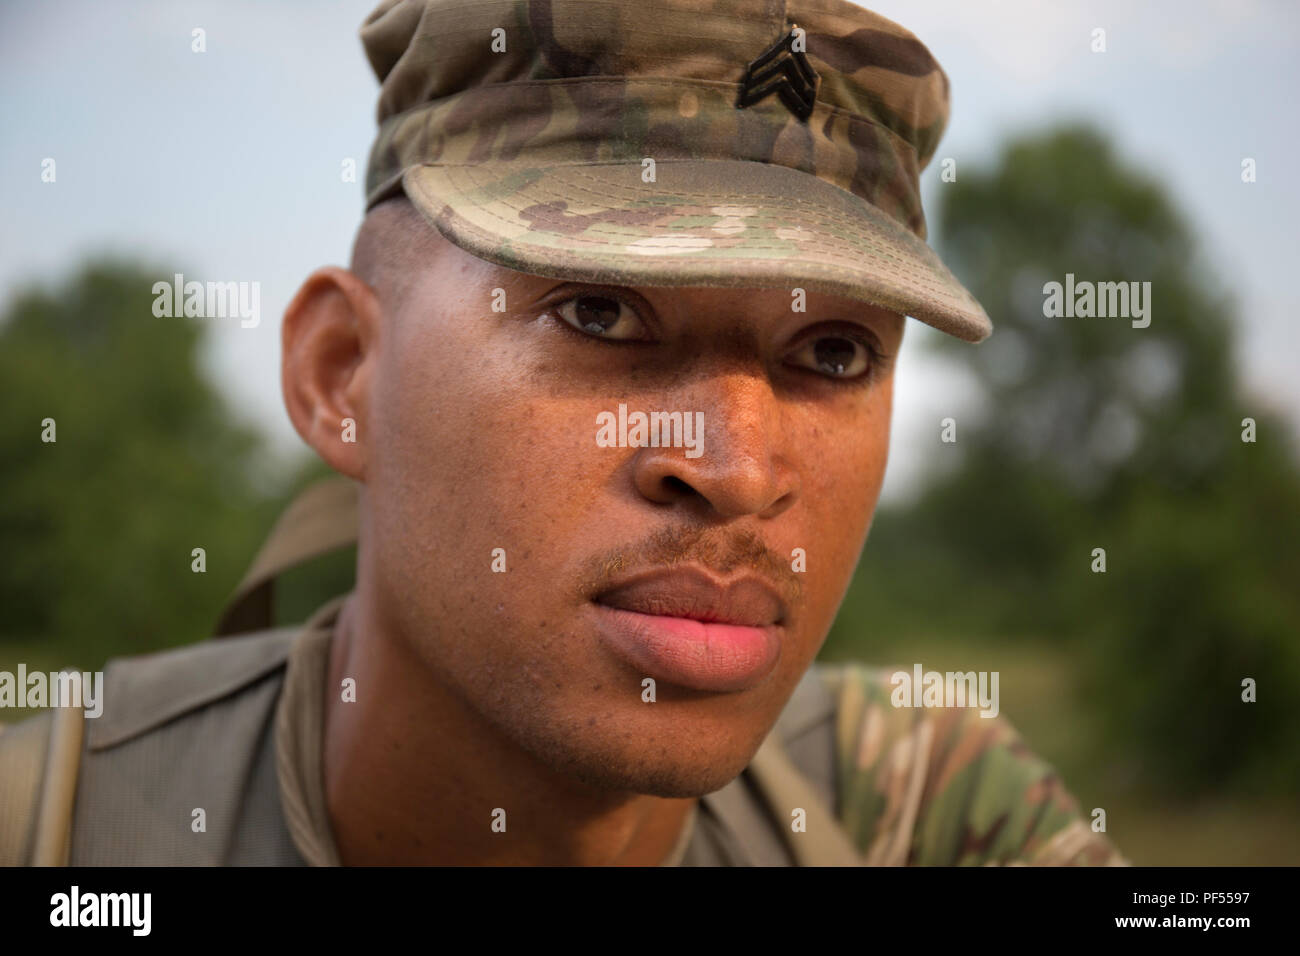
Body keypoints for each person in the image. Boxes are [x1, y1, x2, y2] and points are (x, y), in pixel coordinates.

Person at [0, 0, 1125, 866]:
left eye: (831, 352)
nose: (734, 468)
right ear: (342, 373)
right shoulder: (54, 827)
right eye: (600, 312)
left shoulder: (910, 805)